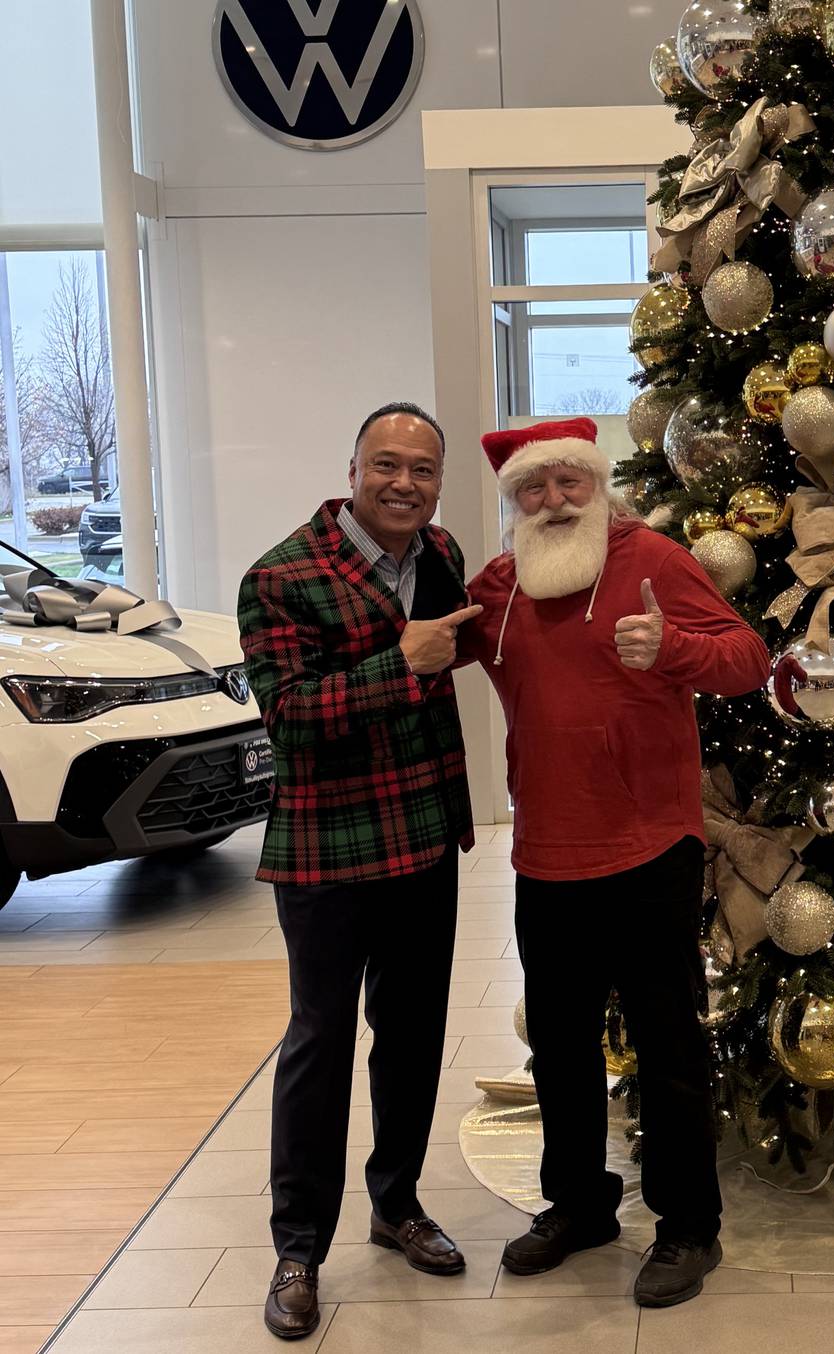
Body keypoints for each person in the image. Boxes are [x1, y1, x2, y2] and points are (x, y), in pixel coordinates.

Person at [459, 417, 770, 1309]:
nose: (553, 501)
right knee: (558, 1047)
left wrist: (672, 652)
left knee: (670, 1045)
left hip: (648, 848)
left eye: (569, 483)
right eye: (534, 488)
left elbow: (747, 659)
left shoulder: (654, 560)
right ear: (515, 501)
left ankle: (687, 1228)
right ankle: (579, 1206)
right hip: (547, 851)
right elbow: (441, 638)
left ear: (596, 486)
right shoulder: (503, 586)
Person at [239, 402, 482, 1340]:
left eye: (423, 470)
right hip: (328, 846)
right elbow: (287, 715)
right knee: (319, 1041)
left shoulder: (443, 551)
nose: (404, 484)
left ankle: (398, 1204)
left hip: (422, 836)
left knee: (414, 1032)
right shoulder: (281, 575)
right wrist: (402, 663)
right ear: (352, 470)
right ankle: (297, 1246)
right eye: (387, 465)